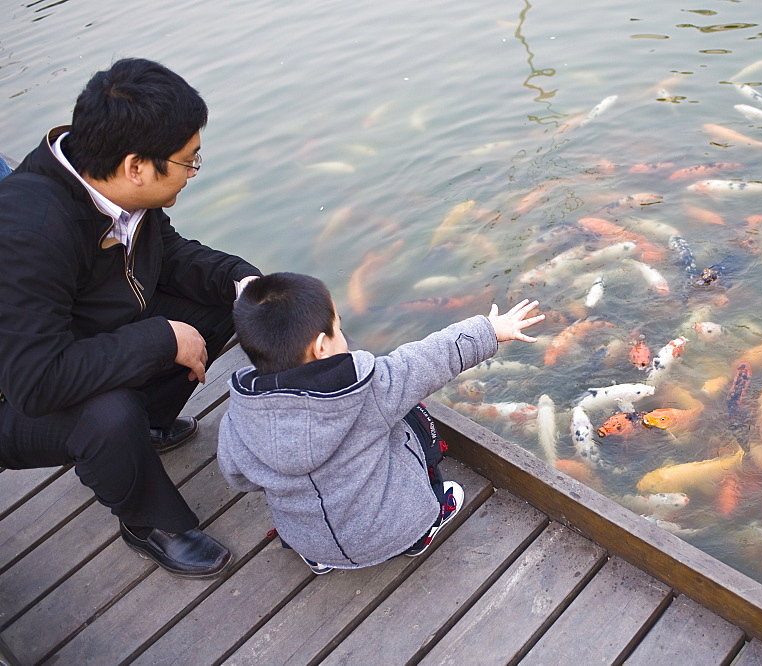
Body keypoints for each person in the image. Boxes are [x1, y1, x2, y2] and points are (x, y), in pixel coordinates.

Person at [0, 58, 261, 578]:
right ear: (137, 166)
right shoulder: (29, 231)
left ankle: (148, 429)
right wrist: (162, 339)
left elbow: (168, 255)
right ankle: (149, 520)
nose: (192, 172)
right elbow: (35, 384)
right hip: (17, 394)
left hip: (74, 340)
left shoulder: (107, 177)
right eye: (189, 161)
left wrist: (249, 283)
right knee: (108, 414)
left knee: (230, 304)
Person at [217, 273, 543, 572]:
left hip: (307, 539)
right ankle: (423, 532)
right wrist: (489, 331)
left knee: (313, 519)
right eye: (338, 327)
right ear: (321, 346)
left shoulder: (239, 419)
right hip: (392, 533)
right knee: (413, 416)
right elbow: (428, 358)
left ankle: (320, 559)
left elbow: (239, 477)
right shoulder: (371, 389)